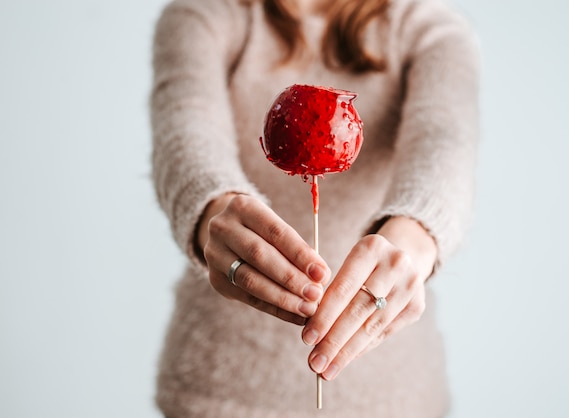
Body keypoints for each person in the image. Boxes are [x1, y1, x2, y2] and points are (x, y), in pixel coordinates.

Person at [150, 0, 480, 416]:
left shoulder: (427, 27)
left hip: (390, 398)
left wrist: (410, 242)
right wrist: (216, 212)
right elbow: (185, 137)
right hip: (216, 393)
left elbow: (445, 145)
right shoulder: (205, 14)